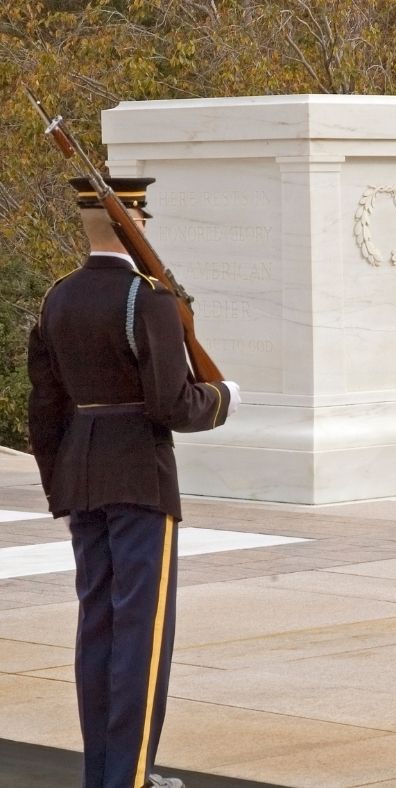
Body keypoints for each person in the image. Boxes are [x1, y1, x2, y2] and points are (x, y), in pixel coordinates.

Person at [27, 176, 240, 788]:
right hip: (140, 480)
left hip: (82, 477)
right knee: (142, 636)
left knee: (97, 626)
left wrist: (59, 486)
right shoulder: (146, 300)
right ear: (134, 223)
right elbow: (172, 405)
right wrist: (222, 398)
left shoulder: (56, 299)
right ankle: (132, 780)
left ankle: (106, 774)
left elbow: (46, 410)